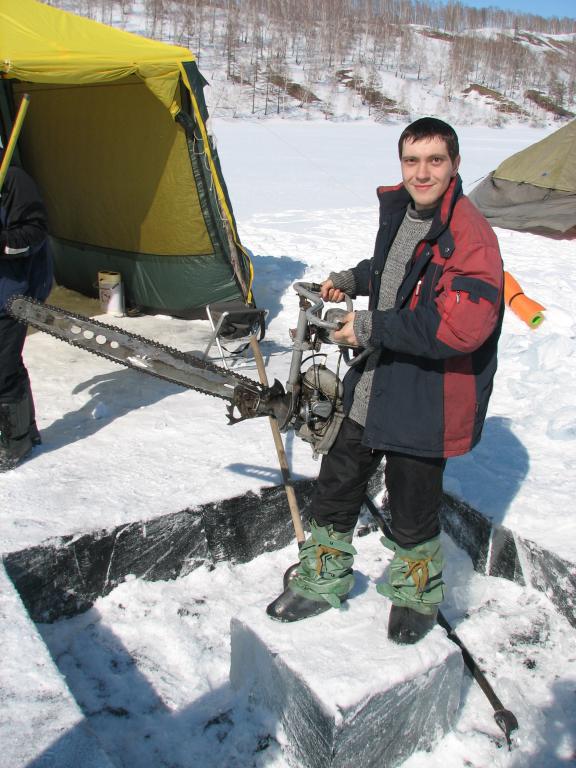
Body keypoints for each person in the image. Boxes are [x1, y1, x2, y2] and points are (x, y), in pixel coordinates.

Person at [267, 117, 504, 644]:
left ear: (456, 165)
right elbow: (396, 268)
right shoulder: (408, 213)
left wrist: (369, 324)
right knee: (337, 483)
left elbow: (459, 326)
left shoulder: (471, 236)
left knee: (413, 504)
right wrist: (355, 280)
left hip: (427, 394)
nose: (422, 173)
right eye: (412, 161)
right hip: (376, 380)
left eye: (434, 161)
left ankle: (417, 596)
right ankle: (322, 577)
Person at [0, 159, 53, 471]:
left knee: (3, 369)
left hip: (12, 293)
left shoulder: (13, 178)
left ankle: (14, 442)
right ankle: (25, 430)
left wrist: (3, 241)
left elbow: (34, 232)